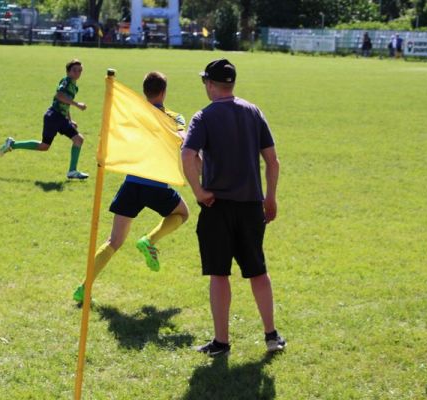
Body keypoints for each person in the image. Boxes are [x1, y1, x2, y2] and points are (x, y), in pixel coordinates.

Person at [181, 59, 286, 357]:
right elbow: (273, 160)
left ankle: (221, 342)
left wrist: (199, 192)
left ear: (212, 85)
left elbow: (188, 156)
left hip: (217, 207)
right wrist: (271, 197)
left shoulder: (203, 117)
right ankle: (271, 335)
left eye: (205, 82)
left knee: (219, 274)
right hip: (252, 205)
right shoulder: (254, 112)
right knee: (258, 272)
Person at [73, 71, 189, 303]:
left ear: (145, 91)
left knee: (113, 240)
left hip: (132, 184)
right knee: (182, 214)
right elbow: (183, 138)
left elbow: (117, 135)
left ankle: (84, 288)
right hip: (156, 185)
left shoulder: (134, 115)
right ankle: (150, 240)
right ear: (164, 92)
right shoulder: (175, 118)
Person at [0, 60, 89, 180]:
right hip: (53, 117)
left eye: (80, 70)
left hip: (61, 118)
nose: (78, 72)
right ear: (68, 72)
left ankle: (72, 171)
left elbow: (64, 104)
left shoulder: (74, 86)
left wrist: (70, 120)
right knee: (44, 146)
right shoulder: (66, 81)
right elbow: (59, 96)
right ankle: (12, 144)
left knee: (78, 139)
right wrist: (77, 104)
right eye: (74, 70)